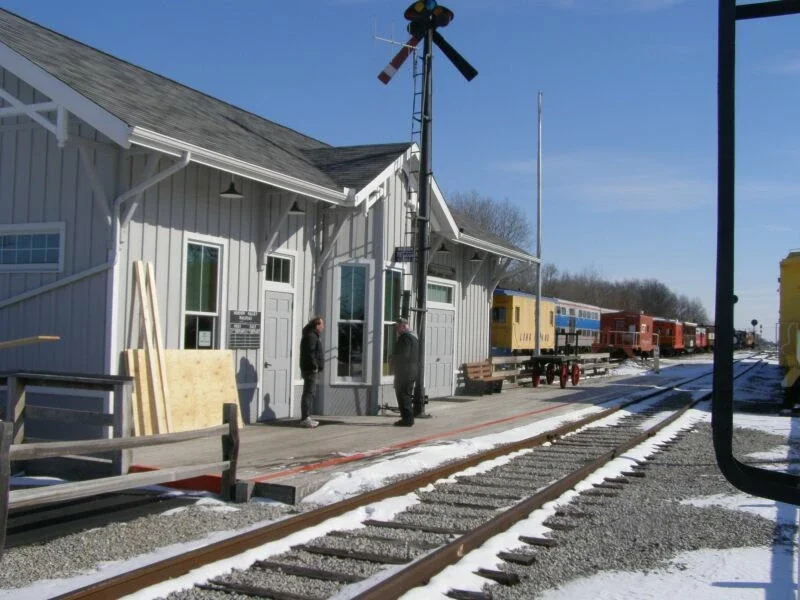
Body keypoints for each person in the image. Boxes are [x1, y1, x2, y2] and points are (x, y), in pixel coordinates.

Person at [391, 317, 419, 427]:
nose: (396, 330)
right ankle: (408, 418)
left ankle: (407, 419)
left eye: (397, 327)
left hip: (405, 371)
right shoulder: (414, 338)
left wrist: (393, 357)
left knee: (403, 394)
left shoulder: (405, 338)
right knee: (406, 393)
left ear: (403, 326)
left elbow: (405, 355)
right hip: (412, 370)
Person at [299, 316, 324, 428]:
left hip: (309, 368)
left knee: (309, 392)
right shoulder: (311, 336)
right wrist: (314, 366)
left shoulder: (311, 335)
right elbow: (310, 353)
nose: (323, 327)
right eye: (322, 324)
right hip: (310, 369)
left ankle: (306, 417)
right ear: (317, 325)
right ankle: (305, 418)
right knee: (308, 393)